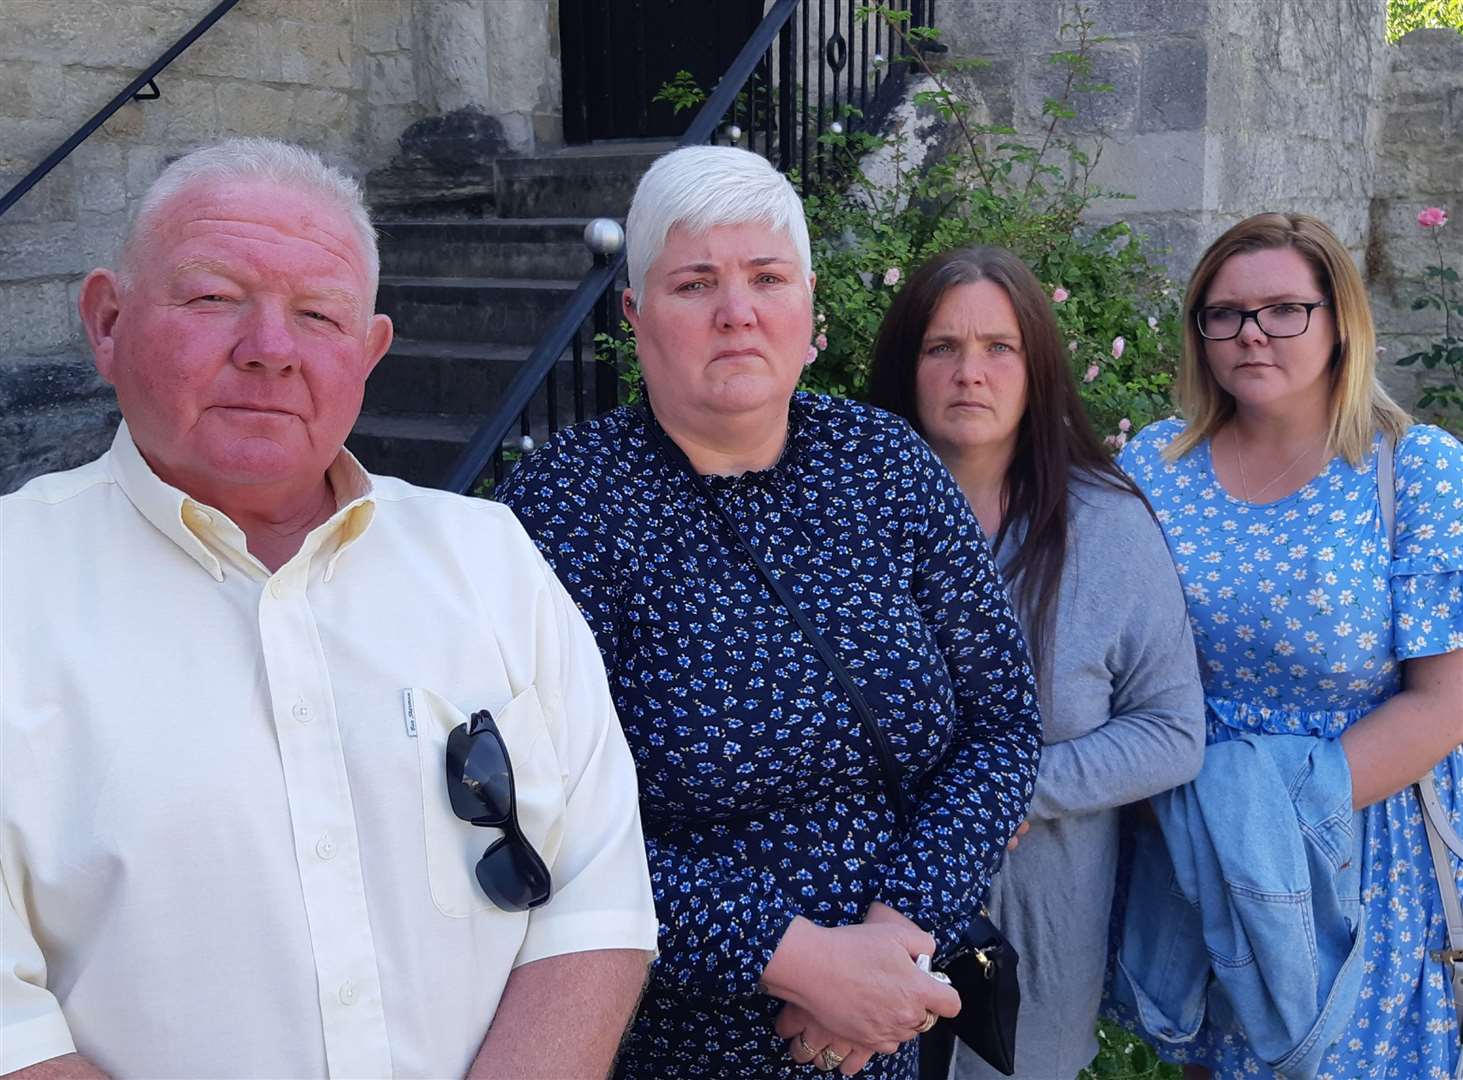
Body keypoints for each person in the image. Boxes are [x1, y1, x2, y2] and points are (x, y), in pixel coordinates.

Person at [0, 138, 659, 1079]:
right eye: (214, 298)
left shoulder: (490, 562)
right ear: (107, 321)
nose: (270, 350)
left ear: (369, 353)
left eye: (318, 314)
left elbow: (593, 902)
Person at [497, 145, 1042, 1079]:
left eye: (766, 277)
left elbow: (1002, 726)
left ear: (810, 306)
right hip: (671, 1037)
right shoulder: (561, 510)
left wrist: (891, 945)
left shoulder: (883, 464)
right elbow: (535, 821)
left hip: (892, 1020)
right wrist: (799, 963)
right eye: (693, 282)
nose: (736, 311)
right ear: (634, 315)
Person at [1116, 211, 1463, 1077]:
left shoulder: (1412, 468)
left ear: (1338, 319)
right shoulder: (1157, 462)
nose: (1250, 334)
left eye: (1282, 309)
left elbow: (1444, 700)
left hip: (1361, 843)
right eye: (1222, 313)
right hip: (1199, 844)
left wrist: (1280, 808)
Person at [865, 245, 1207, 1080]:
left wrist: (1006, 791)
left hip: (1031, 924)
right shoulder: (846, 516)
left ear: (1037, 367)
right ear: (907, 365)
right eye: (940, 347)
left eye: (998, 348)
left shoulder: (1106, 528)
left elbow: (1172, 731)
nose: (967, 373)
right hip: (852, 909)